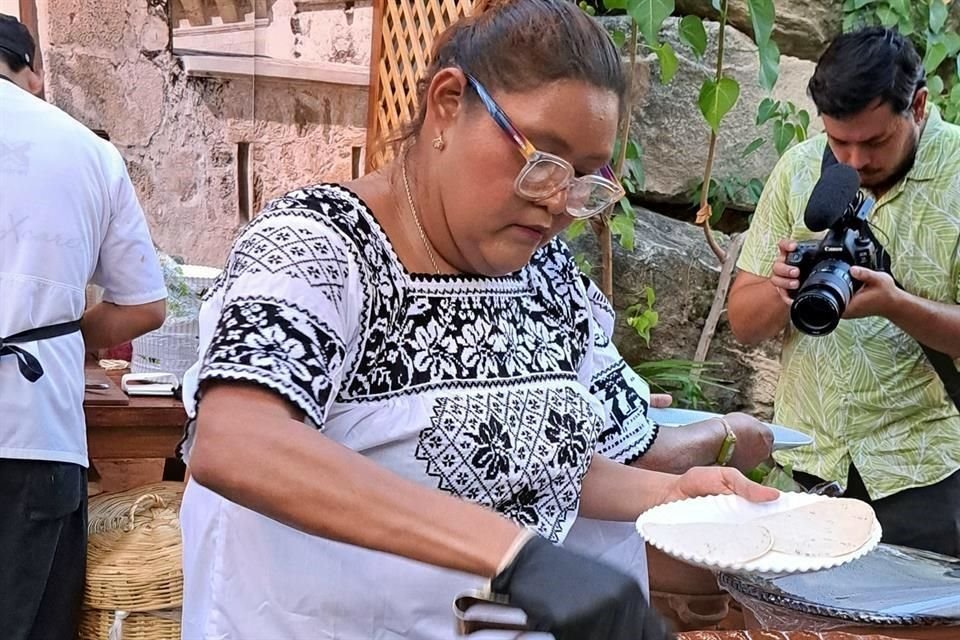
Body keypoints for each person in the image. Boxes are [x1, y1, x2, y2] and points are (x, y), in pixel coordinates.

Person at [177, 1, 779, 638]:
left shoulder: (546, 280)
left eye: (582, 180)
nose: (556, 203)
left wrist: (667, 495)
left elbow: (545, 463)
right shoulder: (317, 247)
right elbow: (237, 439)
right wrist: (513, 554)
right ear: (447, 103)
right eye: (541, 160)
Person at [728, 27, 960, 558]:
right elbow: (743, 323)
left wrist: (894, 304)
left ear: (918, 106)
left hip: (926, 474)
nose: (853, 162)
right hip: (808, 468)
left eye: (875, 142)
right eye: (838, 141)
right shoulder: (799, 170)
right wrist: (780, 289)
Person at [0, 14, 167, 640]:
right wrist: (57, 330)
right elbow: (145, 306)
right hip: (34, 432)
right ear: (33, 73)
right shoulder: (89, 152)